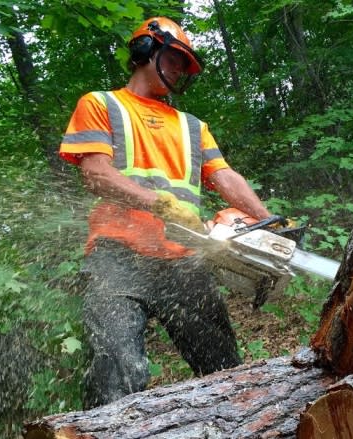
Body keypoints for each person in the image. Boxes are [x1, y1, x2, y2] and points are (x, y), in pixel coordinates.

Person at [58, 16, 272, 408]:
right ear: (145, 51)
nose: (179, 69)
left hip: (183, 259)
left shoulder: (192, 126)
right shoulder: (102, 104)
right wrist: (159, 203)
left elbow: (224, 177)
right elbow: (96, 174)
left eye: (184, 65)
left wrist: (266, 218)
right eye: (174, 59)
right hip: (117, 257)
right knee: (115, 369)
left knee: (224, 368)